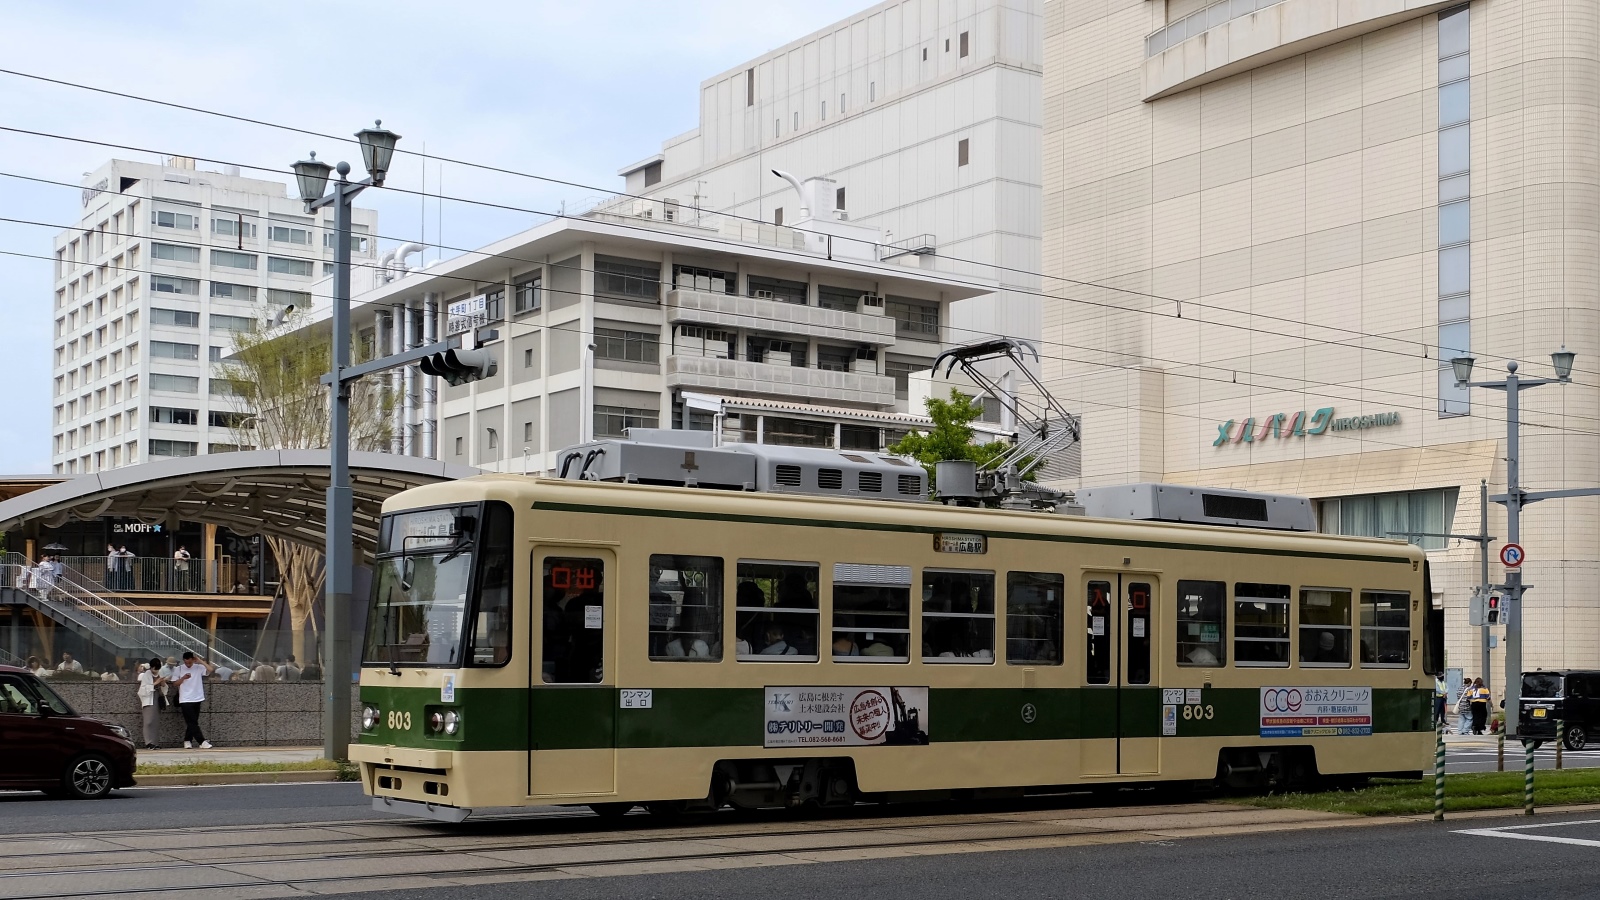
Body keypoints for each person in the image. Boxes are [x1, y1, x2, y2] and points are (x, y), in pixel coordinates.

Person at [171, 651, 214, 749]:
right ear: (183, 661)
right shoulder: (179, 669)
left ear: (193, 660)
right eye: (186, 662)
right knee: (192, 721)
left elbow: (210, 669)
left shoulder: (198, 667)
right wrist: (183, 678)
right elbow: (175, 683)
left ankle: (187, 740)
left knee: (193, 721)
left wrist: (199, 661)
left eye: (190, 662)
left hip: (197, 697)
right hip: (185, 698)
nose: (188, 664)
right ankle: (201, 741)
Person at [136, 658, 162, 749]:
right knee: (148, 721)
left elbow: (164, 687)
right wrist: (155, 683)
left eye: (157, 669)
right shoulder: (146, 675)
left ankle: (155, 742)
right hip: (148, 699)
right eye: (154, 669)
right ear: (151, 667)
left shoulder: (160, 674)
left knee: (155, 721)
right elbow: (143, 689)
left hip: (157, 697)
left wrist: (162, 683)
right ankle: (148, 742)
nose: (155, 671)